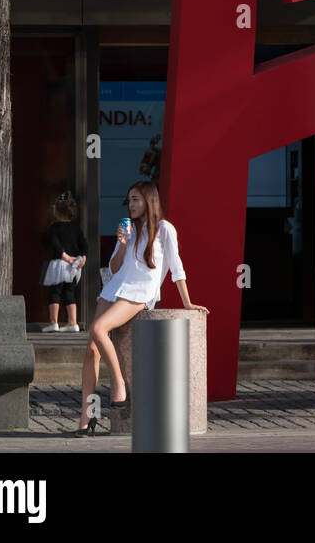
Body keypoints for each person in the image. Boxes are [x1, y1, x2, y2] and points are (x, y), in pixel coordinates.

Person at [74, 179, 208, 436]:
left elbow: (176, 267)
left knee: (99, 328)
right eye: (130, 200)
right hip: (115, 288)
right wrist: (123, 245)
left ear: (149, 200)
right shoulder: (129, 229)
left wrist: (187, 302)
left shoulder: (166, 229)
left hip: (139, 291)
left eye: (136, 199)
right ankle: (86, 417)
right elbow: (113, 267)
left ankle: (119, 383)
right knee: (91, 349)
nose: (131, 204)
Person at [41, 190, 86, 332]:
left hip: (60, 264)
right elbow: (84, 244)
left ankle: (53, 322)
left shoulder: (54, 227)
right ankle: (73, 323)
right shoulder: (76, 228)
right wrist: (82, 258)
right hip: (74, 265)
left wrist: (65, 257)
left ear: (57, 211)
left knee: (55, 291)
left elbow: (55, 244)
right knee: (69, 292)